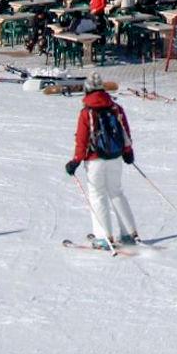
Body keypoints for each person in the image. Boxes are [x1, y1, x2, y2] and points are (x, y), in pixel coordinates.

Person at [66, 75, 140, 248]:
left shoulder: (87, 112)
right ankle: (129, 233)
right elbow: (125, 132)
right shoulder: (116, 108)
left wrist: (75, 161)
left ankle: (103, 237)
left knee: (98, 195)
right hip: (115, 157)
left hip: (95, 160)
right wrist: (128, 152)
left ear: (87, 89)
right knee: (116, 192)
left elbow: (82, 140)